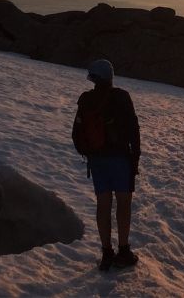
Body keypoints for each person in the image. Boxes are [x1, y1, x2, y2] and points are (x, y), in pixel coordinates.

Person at [72, 59, 141, 271]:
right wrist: (135, 159)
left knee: (103, 205)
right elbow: (133, 130)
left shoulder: (85, 99)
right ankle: (123, 250)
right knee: (123, 204)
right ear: (110, 77)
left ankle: (106, 253)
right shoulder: (121, 97)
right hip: (120, 160)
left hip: (97, 161)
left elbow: (76, 133)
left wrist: (91, 153)